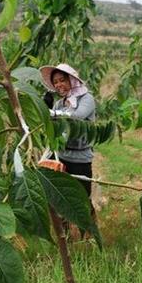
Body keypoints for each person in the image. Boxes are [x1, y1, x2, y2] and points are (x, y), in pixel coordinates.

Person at [40, 63, 96, 216]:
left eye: (62, 80)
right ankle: (65, 232)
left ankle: (90, 233)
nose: (59, 85)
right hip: (62, 155)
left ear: (72, 80)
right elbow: (53, 127)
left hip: (80, 158)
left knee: (83, 198)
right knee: (61, 196)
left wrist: (52, 113)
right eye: (55, 82)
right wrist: (44, 108)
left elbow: (77, 116)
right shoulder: (60, 103)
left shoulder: (87, 99)